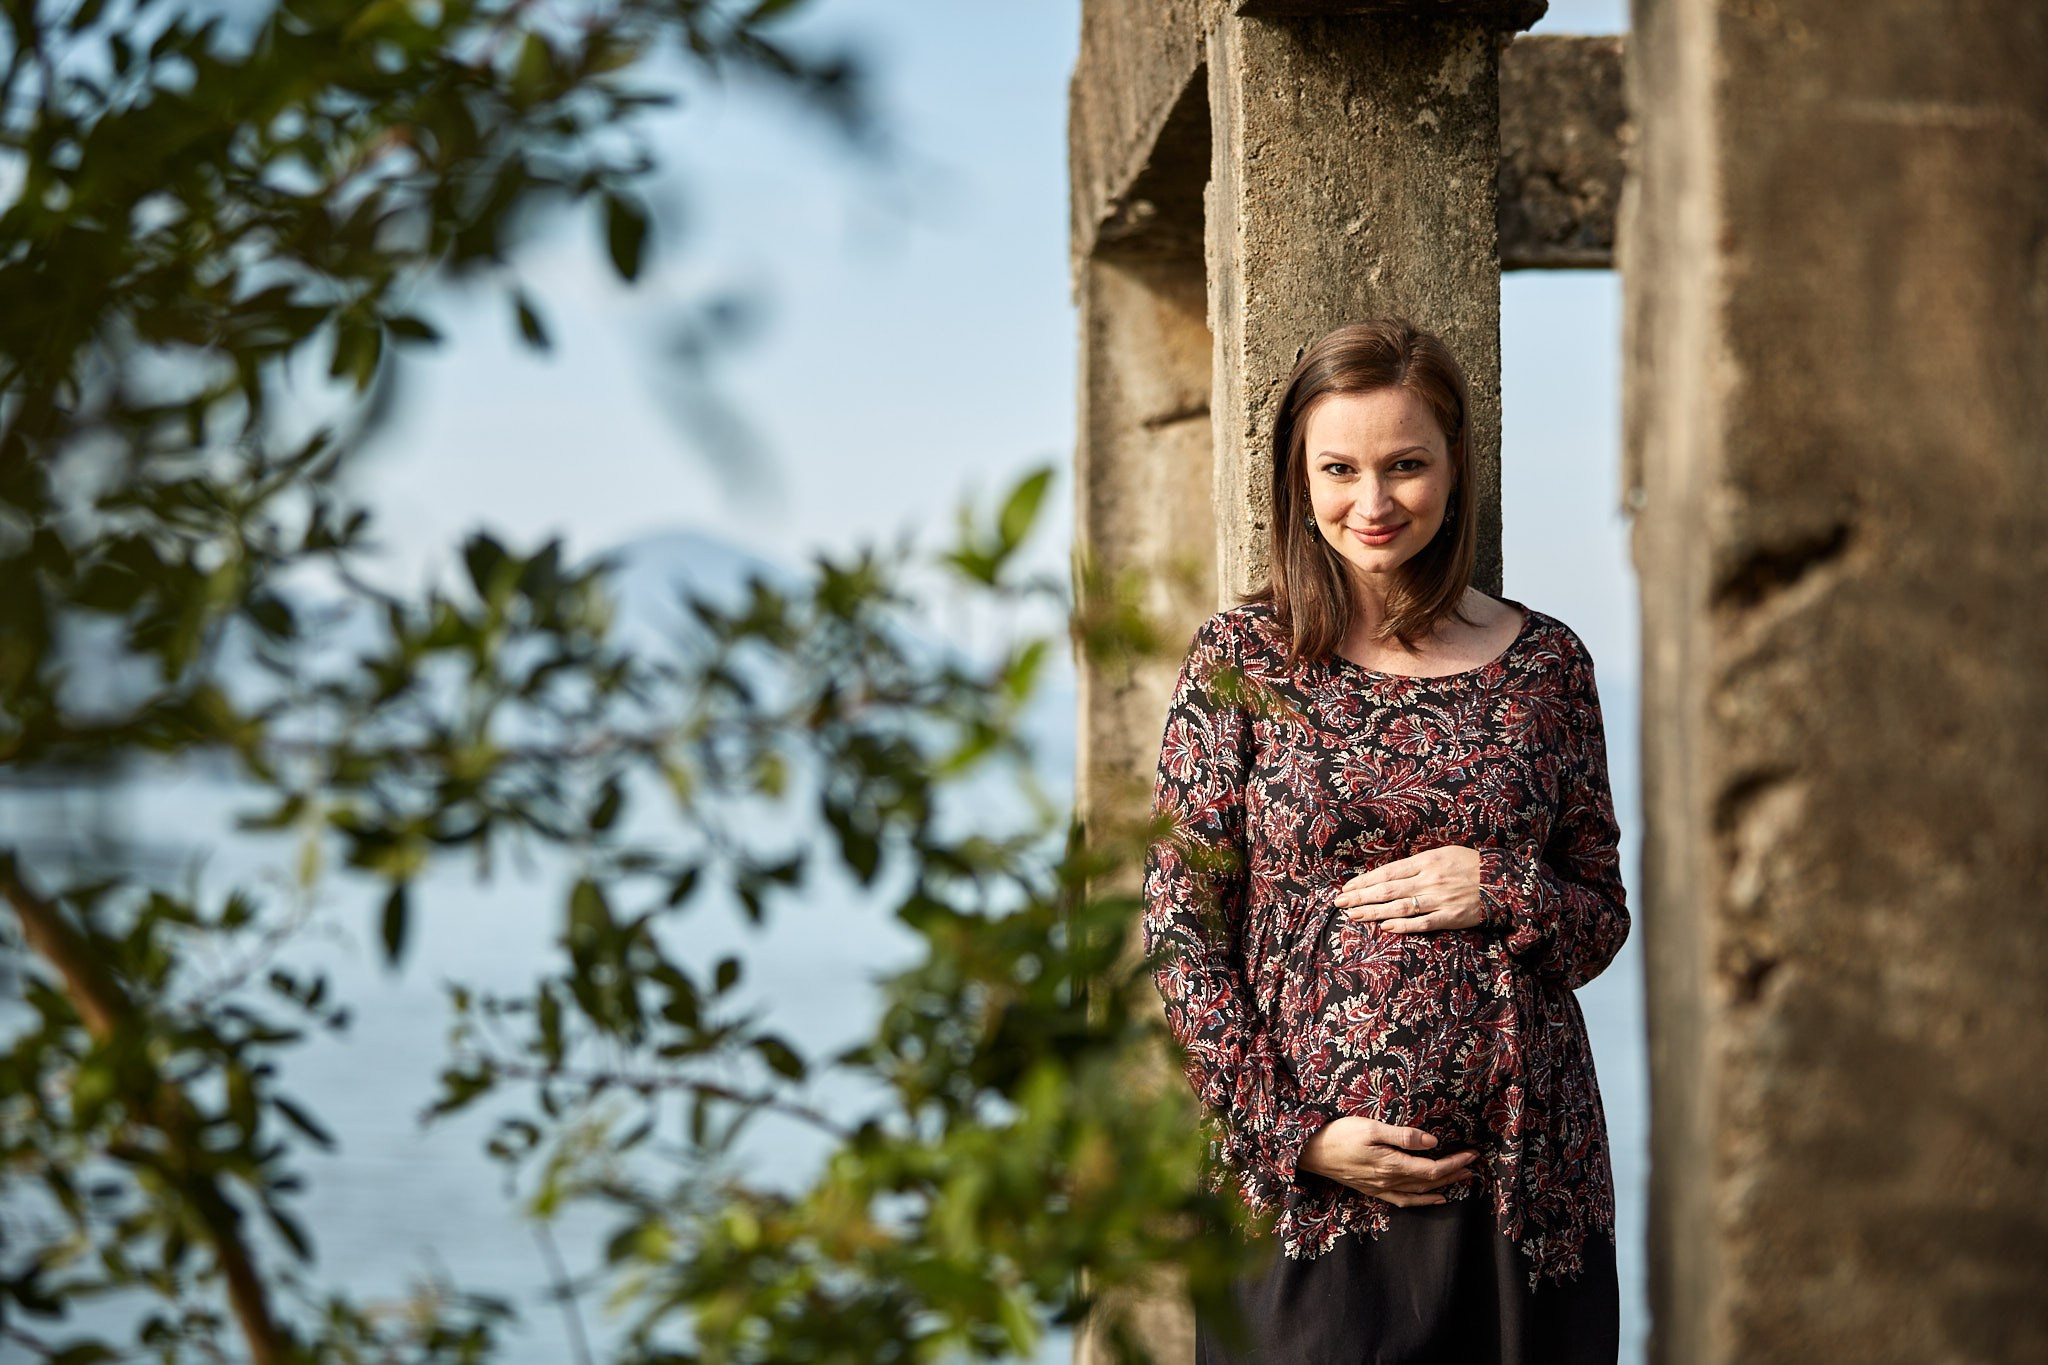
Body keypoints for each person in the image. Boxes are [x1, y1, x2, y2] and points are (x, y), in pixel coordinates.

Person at [1142, 318, 1629, 1363]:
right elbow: (1178, 933)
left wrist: (1501, 885)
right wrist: (1296, 1135)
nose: (1372, 501)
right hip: (1308, 1200)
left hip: (1521, 1189)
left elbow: (1596, 922)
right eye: (1339, 468)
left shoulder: (1547, 664)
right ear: (1297, 477)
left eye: (1405, 464)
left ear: (1454, 468)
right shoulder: (1240, 660)